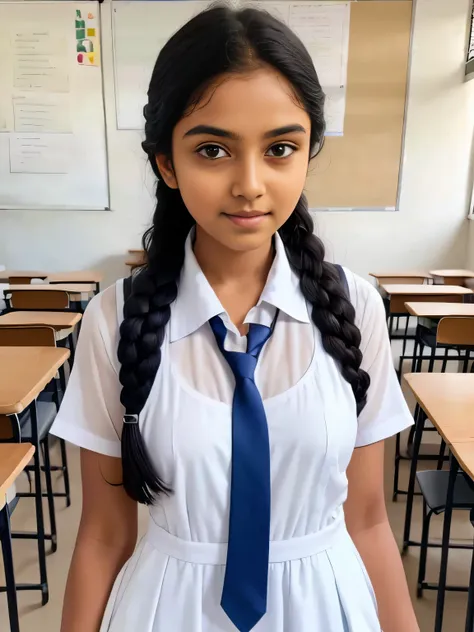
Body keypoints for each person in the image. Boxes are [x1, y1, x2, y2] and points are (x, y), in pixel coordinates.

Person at [51, 5, 419, 631]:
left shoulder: (355, 309)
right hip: (168, 612)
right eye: (213, 149)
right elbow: (103, 536)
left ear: (308, 153)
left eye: (280, 148)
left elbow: (368, 520)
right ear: (166, 163)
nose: (250, 184)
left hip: (326, 609)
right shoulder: (114, 319)